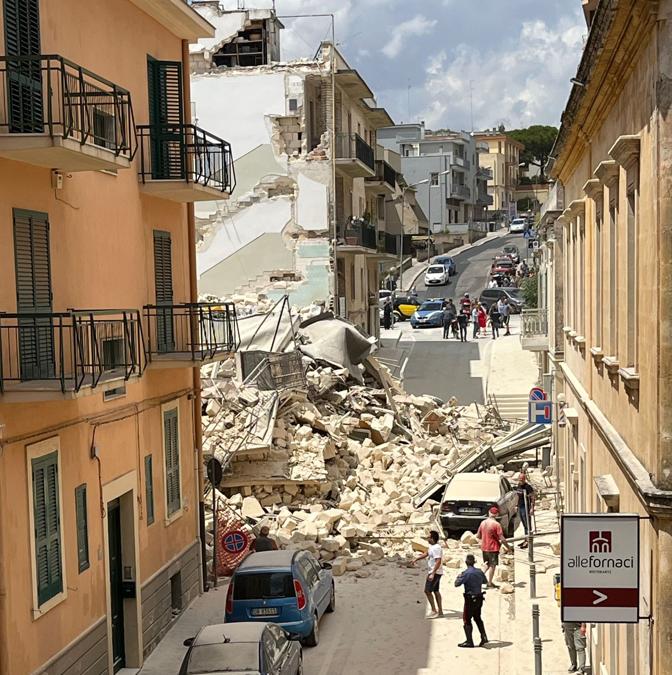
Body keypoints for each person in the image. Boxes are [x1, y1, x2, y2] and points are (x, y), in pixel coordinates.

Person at [454, 554, 488, 647]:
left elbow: (456, 584)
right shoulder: (480, 572)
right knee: (478, 618)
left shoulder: (465, 573)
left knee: (467, 619)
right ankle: (484, 637)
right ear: (474, 562)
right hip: (479, 598)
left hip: (470, 599)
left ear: (466, 563)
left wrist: (459, 576)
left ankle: (469, 641)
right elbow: (485, 581)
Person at [477, 507, 511, 588]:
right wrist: (508, 547)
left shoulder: (483, 522)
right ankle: (489, 582)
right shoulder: (496, 524)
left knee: (487, 564)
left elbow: (478, 535)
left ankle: (477, 579)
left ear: (489, 513)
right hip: (493, 548)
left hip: (484, 547)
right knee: (492, 565)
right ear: (497, 514)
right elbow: (502, 538)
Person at [412, 530, 444, 618]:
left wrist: (433, 573)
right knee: (436, 591)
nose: (427, 538)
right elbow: (426, 553)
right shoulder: (432, 546)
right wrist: (416, 559)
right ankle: (440, 611)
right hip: (436, 572)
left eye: (428, 537)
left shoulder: (437, 548)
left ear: (432, 538)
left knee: (427, 591)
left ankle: (434, 610)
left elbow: (438, 561)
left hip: (435, 572)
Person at [515, 473, 536, 547]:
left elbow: (533, 497)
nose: (520, 481)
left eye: (522, 479)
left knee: (528, 524)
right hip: (520, 507)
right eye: (519, 479)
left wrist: (532, 508)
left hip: (526, 507)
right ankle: (525, 539)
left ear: (524, 479)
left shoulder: (528, 487)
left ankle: (529, 541)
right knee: (524, 525)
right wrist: (516, 505)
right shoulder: (519, 485)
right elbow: (518, 496)